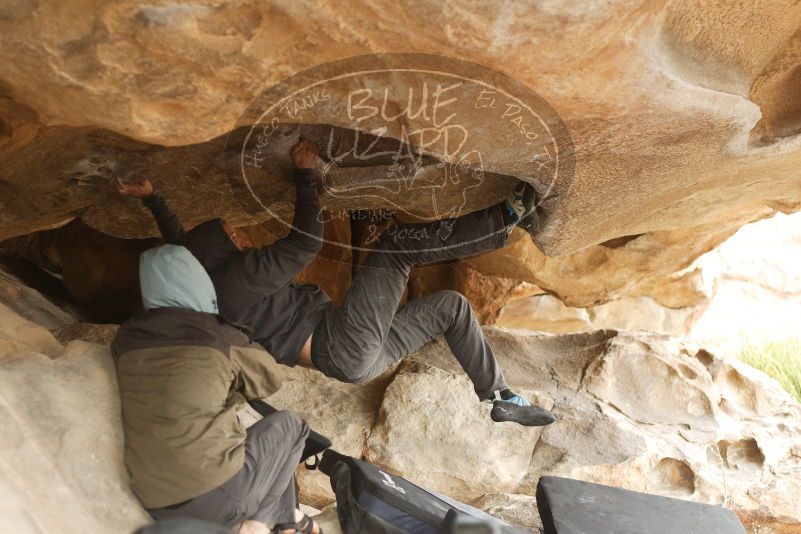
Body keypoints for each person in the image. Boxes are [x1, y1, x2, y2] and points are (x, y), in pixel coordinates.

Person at [117, 138, 555, 427]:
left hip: (353, 359)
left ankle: (500, 396)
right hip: (342, 344)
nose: (244, 235)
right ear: (219, 249)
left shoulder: (207, 287)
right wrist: (306, 177)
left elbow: (183, 250)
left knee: (452, 307)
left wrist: (154, 199)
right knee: (394, 247)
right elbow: (305, 244)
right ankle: (507, 216)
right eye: (234, 234)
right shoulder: (240, 278)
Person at [112, 244, 322, 534]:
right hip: (217, 497)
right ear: (200, 284)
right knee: (291, 427)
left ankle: (289, 521)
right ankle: (258, 525)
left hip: (156, 500)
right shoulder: (217, 335)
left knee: (259, 443)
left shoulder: (126, 337)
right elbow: (269, 380)